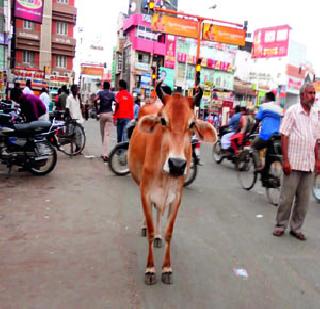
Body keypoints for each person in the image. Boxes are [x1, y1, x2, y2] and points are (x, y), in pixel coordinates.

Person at [273, 83, 320, 241]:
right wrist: (286, 160)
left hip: (308, 163)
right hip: (293, 162)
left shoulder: (315, 114)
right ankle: (280, 225)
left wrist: (317, 160)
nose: (313, 96)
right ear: (302, 95)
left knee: (304, 200)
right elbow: (284, 135)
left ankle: (296, 227)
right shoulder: (292, 111)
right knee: (287, 197)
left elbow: (316, 139)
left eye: (314, 93)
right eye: (310, 93)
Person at [251, 91, 283, 185]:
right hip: (277, 137)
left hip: (265, 135)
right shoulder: (280, 109)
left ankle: (258, 166)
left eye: (264, 98)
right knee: (269, 157)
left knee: (253, 147)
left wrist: (250, 133)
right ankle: (266, 177)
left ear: (267, 98)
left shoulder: (263, 106)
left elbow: (256, 122)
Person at [96, 81, 115, 161]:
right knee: (107, 135)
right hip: (110, 114)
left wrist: (97, 109)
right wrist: (115, 112)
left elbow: (95, 100)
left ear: (103, 86)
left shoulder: (100, 93)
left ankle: (104, 153)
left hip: (102, 114)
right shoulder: (112, 94)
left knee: (103, 134)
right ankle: (105, 154)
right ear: (109, 87)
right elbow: (117, 102)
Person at [66, 85, 84, 152]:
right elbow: (67, 108)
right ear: (72, 90)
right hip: (72, 118)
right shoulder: (69, 98)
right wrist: (69, 117)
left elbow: (81, 106)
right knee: (72, 135)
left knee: (79, 133)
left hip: (79, 118)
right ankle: (76, 147)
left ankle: (78, 148)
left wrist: (80, 99)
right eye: (76, 89)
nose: (77, 91)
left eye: (77, 89)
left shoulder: (78, 97)